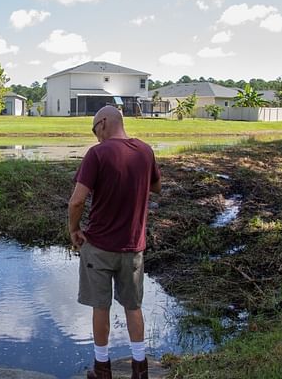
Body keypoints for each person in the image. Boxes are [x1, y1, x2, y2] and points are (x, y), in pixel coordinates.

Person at [68, 105, 162, 379]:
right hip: (133, 247)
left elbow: (76, 201)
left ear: (105, 122)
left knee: (101, 306)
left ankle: (102, 369)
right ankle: (140, 368)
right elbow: (156, 186)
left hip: (98, 245)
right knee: (133, 307)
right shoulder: (145, 151)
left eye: (95, 128)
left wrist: (74, 230)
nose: (95, 135)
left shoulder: (97, 154)